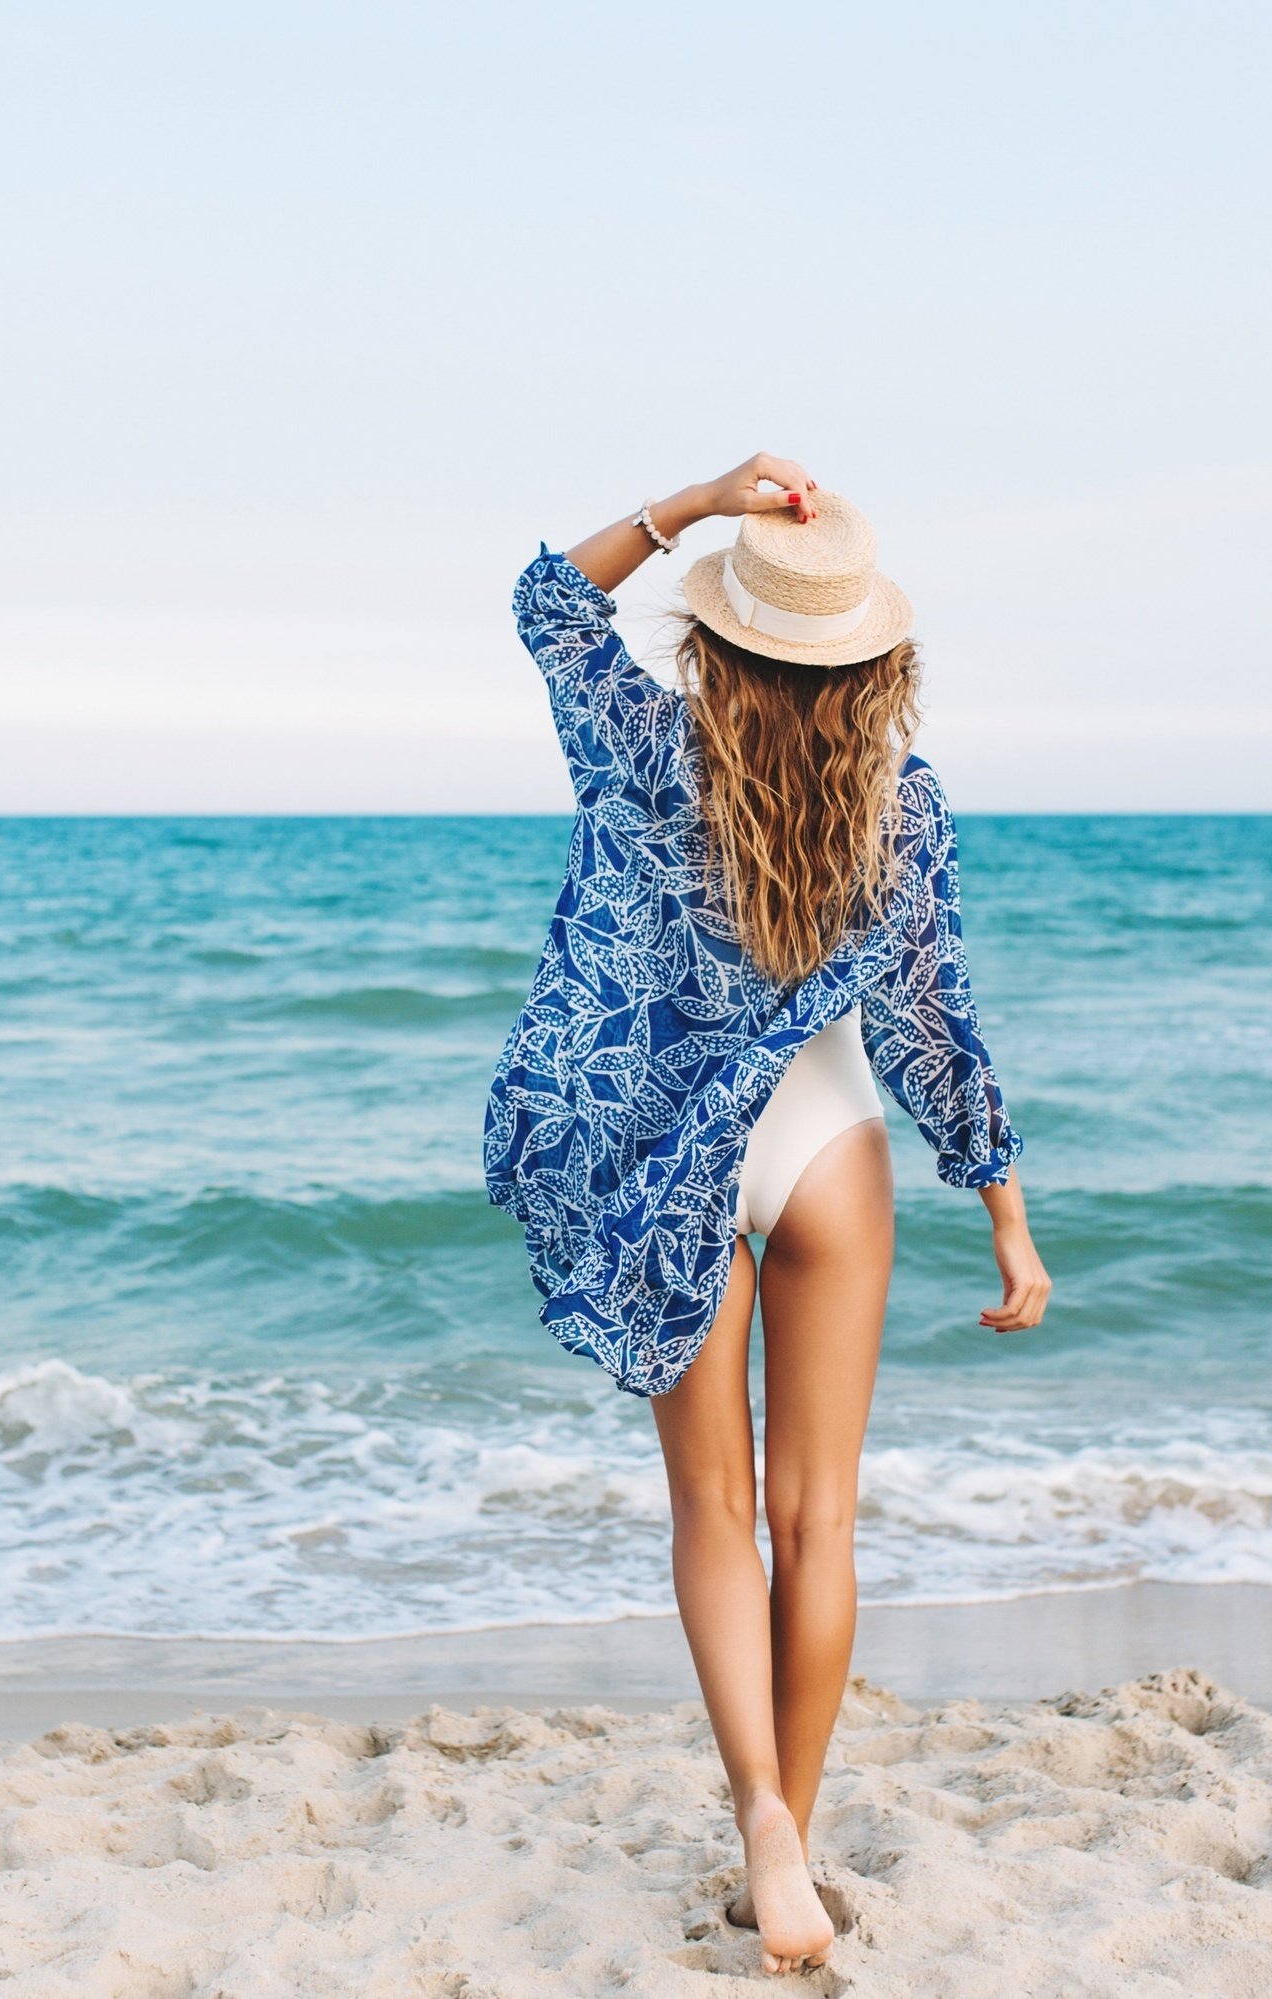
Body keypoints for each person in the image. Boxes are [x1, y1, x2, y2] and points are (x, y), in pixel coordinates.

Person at [484, 454, 1050, 1972]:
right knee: (820, 1520)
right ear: (876, 661)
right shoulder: (904, 805)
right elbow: (935, 1022)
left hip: (669, 1156)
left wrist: (699, 501)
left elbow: (548, 603)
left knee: (716, 1514)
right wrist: (1003, 1207)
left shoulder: (645, 748)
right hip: (828, 1150)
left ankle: (759, 1821)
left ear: (717, 638)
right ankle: (788, 1832)